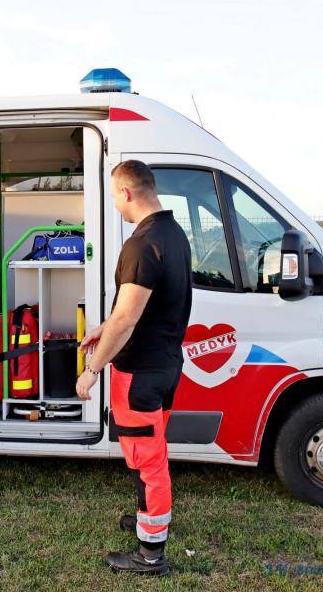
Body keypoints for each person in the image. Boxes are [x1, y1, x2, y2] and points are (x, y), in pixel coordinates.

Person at [76, 160, 192, 575]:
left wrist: (93, 368)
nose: (115, 204)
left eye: (114, 196)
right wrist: (102, 329)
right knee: (150, 454)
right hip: (166, 365)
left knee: (147, 461)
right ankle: (149, 519)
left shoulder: (141, 245)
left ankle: (150, 553)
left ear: (126, 193)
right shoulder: (173, 234)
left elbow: (126, 318)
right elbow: (140, 309)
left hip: (139, 373)